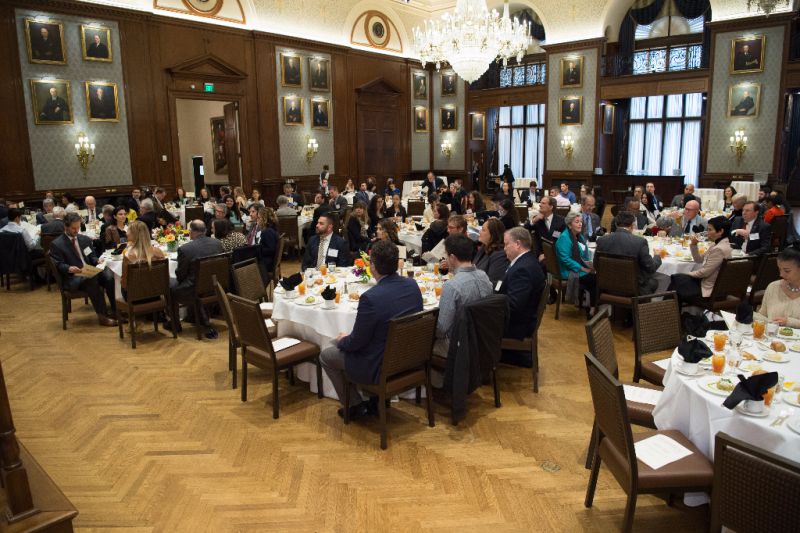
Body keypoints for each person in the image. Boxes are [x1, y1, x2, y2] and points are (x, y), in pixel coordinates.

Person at [320, 240, 423, 420]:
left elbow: (357, 342)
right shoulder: (412, 285)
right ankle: (374, 401)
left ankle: (355, 406)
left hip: (379, 366)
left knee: (326, 355)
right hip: (409, 357)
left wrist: (342, 340)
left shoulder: (370, 298)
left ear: (372, 266)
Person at [49, 213, 117, 326]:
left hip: (89, 271)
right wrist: (69, 268)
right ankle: (103, 316)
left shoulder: (84, 239)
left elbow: (91, 256)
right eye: (73, 228)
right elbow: (58, 264)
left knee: (109, 276)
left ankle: (115, 311)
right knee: (92, 279)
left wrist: (96, 261)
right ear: (65, 226)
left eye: (78, 227)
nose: (76, 230)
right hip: (73, 278)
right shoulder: (57, 244)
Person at [433, 234, 494, 358]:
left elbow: (441, 330)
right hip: (483, 340)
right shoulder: (484, 276)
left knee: (418, 342)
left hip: (458, 346)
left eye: (446, 255)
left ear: (452, 257)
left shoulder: (451, 285)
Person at [497, 227, 546, 367]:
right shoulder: (527, 261)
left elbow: (514, 306)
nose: (504, 248)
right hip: (522, 319)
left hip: (517, 326)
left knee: (471, 319)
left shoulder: (522, 269)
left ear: (518, 244)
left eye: (506, 244)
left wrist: (488, 306)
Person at [668, 216, 732, 304]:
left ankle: (667, 310)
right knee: (677, 281)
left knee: (677, 280)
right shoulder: (717, 244)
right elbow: (699, 260)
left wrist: (686, 273)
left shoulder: (719, 249)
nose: (707, 232)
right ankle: (670, 310)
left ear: (720, 231)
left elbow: (704, 273)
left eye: (710, 230)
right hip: (710, 283)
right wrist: (694, 245)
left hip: (711, 290)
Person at [596, 212, 662, 295]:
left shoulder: (601, 240)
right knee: (655, 281)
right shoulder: (640, 242)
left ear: (616, 224)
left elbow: (596, 265)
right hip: (633, 290)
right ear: (632, 226)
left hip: (607, 287)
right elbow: (651, 268)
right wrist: (657, 256)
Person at [556, 211, 596, 306]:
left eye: (581, 221)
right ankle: (592, 308)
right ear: (569, 225)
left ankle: (591, 304)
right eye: (577, 222)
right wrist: (584, 269)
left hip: (577, 267)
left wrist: (589, 265)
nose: (580, 224)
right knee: (594, 279)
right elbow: (566, 260)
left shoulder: (579, 236)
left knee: (596, 275)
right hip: (567, 271)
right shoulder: (564, 238)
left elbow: (583, 254)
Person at [757, 246, 800, 327]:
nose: (781, 274)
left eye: (787, 271)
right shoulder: (773, 287)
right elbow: (763, 316)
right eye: (779, 269)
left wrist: (790, 322)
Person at [121, 220, 166, 295]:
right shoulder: (158, 252)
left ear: (134, 234)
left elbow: (124, 283)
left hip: (135, 296)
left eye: (128, 230)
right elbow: (162, 276)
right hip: (156, 293)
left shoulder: (128, 255)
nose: (126, 233)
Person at [528, 196, 566, 260]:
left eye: (543, 203)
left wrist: (547, 254)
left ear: (551, 207)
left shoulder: (561, 221)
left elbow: (560, 240)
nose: (540, 205)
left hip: (557, 254)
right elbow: (524, 230)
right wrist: (534, 220)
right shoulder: (538, 220)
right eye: (540, 203)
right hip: (540, 255)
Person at [473, 218, 509, 285]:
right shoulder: (484, 247)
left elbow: (494, 283)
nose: (479, 232)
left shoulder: (500, 255)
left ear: (493, 234)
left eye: (483, 230)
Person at [255, 207, 280, 274]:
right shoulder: (271, 229)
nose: (257, 219)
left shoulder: (267, 232)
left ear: (264, 219)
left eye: (259, 218)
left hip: (266, 263)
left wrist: (257, 249)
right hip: (268, 260)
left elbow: (270, 249)